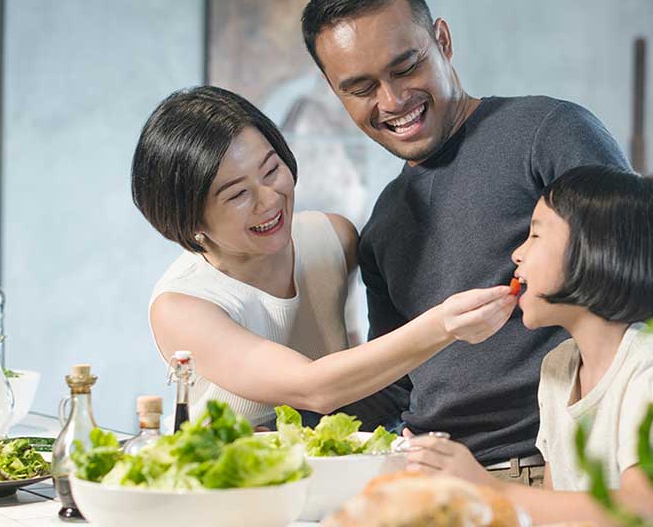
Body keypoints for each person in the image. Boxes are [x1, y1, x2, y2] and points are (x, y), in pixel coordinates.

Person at [300, 0, 653, 481]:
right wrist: (284, 424)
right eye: (361, 89)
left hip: (541, 467)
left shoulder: (546, 132)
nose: (393, 99)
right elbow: (395, 382)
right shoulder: (383, 222)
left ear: (443, 41)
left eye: (405, 68)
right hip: (431, 470)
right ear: (336, 93)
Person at [131, 85, 516, 429]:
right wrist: (445, 325)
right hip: (228, 476)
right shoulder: (182, 305)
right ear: (189, 218)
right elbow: (313, 387)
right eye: (237, 195)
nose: (270, 199)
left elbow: (360, 359)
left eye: (271, 170)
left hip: (330, 465)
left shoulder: (332, 238)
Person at [404, 166, 653, 524]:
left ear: (595, 250)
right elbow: (552, 506)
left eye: (535, 235)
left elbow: (647, 509)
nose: (517, 253)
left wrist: (487, 487)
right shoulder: (558, 365)